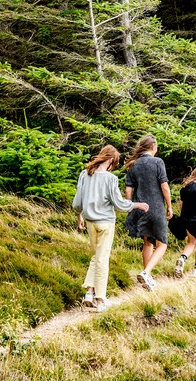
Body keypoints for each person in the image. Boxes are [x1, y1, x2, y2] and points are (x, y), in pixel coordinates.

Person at [71, 145, 149, 312]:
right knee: (102, 259)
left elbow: (77, 201)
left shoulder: (84, 174)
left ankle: (89, 293)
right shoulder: (110, 179)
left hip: (90, 221)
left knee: (96, 257)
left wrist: (79, 217)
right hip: (105, 223)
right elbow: (119, 203)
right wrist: (137, 205)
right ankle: (101, 300)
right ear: (112, 160)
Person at [123, 134, 172, 290]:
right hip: (156, 207)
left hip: (140, 208)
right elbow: (164, 186)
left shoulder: (134, 165)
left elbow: (128, 191)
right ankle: (146, 273)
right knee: (162, 243)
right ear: (153, 147)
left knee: (147, 242)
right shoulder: (158, 162)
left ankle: (147, 278)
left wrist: (131, 207)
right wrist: (169, 206)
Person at [172, 166, 196, 278]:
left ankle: (182, 258)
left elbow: (181, 205)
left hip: (186, 219)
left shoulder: (185, 188)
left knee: (191, 242)